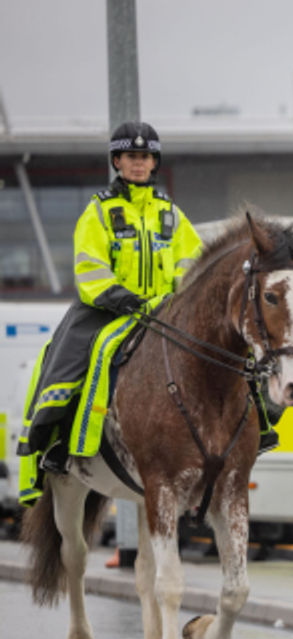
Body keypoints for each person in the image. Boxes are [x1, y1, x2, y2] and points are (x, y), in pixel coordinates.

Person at [17, 121, 207, 483]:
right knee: (69, 365)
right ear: (117, 161)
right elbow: (89, 267)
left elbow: (192, 262)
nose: (139, 163)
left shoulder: (172, 215)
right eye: (131, 156)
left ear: (154, 163)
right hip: (106, 310)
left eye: (146, 156)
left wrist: (182, 298)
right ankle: (55, 441)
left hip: (162, 312)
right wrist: (122, 299)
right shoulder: (98, 212)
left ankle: (251, 428)